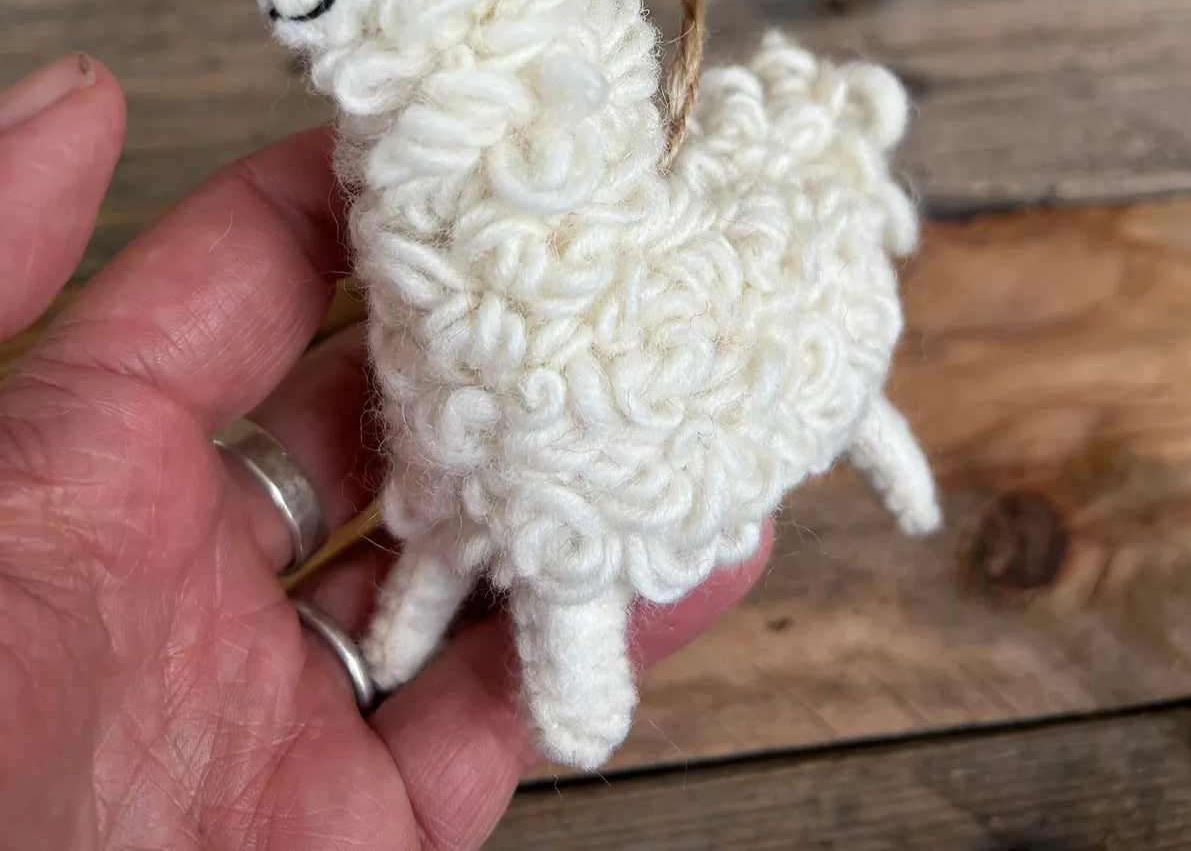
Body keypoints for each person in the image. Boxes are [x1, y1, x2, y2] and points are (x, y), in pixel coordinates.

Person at [0, 53, 771, 850]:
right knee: (450, 511)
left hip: (547, 434)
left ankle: (542, 632)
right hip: (461, 429)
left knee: (518, 535)